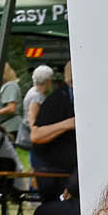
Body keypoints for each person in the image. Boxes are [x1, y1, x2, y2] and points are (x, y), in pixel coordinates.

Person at [27, 64, 77, 202]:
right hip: (52, 173)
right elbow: (35, 134)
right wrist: (68, 124)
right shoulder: (55, 99)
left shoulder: (65, 97)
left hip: (62, 171)